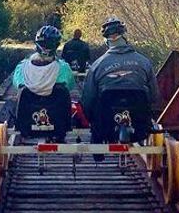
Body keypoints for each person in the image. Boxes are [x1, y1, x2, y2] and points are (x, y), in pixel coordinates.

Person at [80, 16, 159, 150]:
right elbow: (154, 95)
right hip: (139, 119)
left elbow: (88, 99)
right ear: (125, 36)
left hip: (105, 121)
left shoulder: (97, 65)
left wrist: (92, 120)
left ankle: (98, 141)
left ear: (106, 40)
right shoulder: (144, 62)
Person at [12, 25, 76, 96]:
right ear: (56, 45)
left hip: (28, 106)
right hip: (56, 106)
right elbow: (70, 87)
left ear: (37, 44)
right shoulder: (64, 68)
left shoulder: (21, 68)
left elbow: (17, 85)